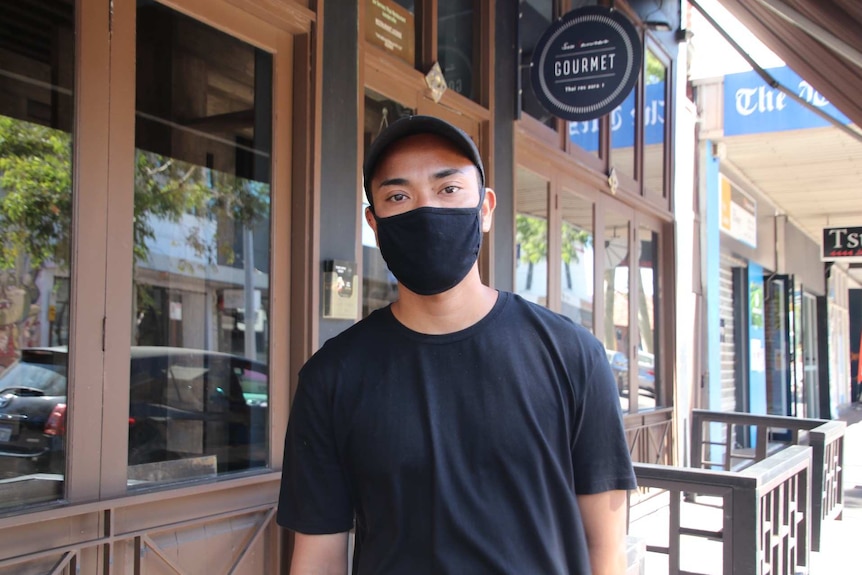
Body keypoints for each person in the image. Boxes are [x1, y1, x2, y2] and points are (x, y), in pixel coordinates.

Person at [277, 115, 637, 574]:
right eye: (398, 196)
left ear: (485, 209)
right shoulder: (331, 377)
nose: (424, 210)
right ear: (374, 222)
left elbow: (605, 547)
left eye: (448, 189)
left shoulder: (572, 355)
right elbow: (318, 558)